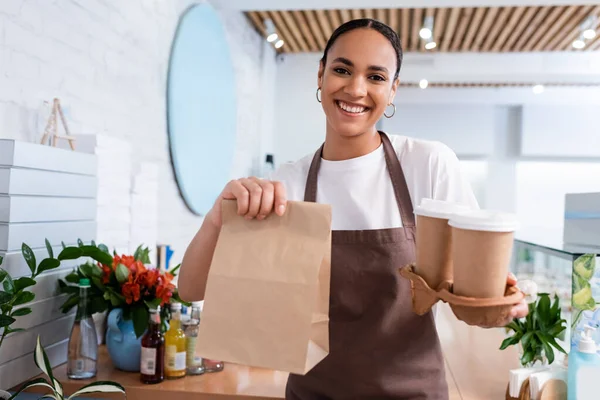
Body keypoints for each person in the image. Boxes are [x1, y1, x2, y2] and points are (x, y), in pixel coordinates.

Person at [179, 18, 528, 400]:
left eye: (376, 77)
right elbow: (191, 289)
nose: (356, 89)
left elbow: (467, 294)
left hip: (414, 393)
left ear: (393, 90)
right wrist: (218, 214)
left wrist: (498, 300)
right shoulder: (287, 185)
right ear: (321, 75)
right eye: (342, 70)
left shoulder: (427, 165)